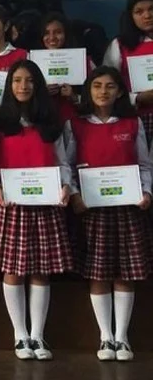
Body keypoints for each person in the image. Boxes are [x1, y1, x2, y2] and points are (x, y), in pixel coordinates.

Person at [0, 61, 73, 361]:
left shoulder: (50, 122)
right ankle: (20, 335)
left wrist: (66, 187)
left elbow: (63, 163)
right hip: (10, 205)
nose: (23, 86)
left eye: (29, 81)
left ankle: (38, 336)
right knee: (13, 271)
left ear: (38, 85)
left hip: (46, 205)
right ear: (9, 86)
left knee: (41, 271)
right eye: (17, 81)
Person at [69, 66, 153, 362]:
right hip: (93, 210)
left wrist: (147, 191)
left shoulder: (132, 123)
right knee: (99, 271)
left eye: (110, 86)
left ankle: (123, 337)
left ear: (119, 91)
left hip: (128, 207)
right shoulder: (76, 125)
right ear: (88, 91)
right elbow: (67, 165)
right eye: (97, 86)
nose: (103, 92)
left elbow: (145, 163)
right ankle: (105, 337)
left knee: (125, 272)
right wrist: (75, 194)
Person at [102, 0, 153, 137]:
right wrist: (136, 98)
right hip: (136, 118)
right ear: (130, 16)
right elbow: (106, 84)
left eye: (151, 9)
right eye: (139, 12)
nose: (147, 15)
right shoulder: (120, 45)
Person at [38, 12, 91, 123]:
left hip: (76, 120)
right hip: (44, 121)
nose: (52, 38)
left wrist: (75, 97)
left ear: (67, 34)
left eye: (58, 32)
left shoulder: (83, 61)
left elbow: (96, 93)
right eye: (46, 33)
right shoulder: (32, 60)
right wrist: (41, 92)